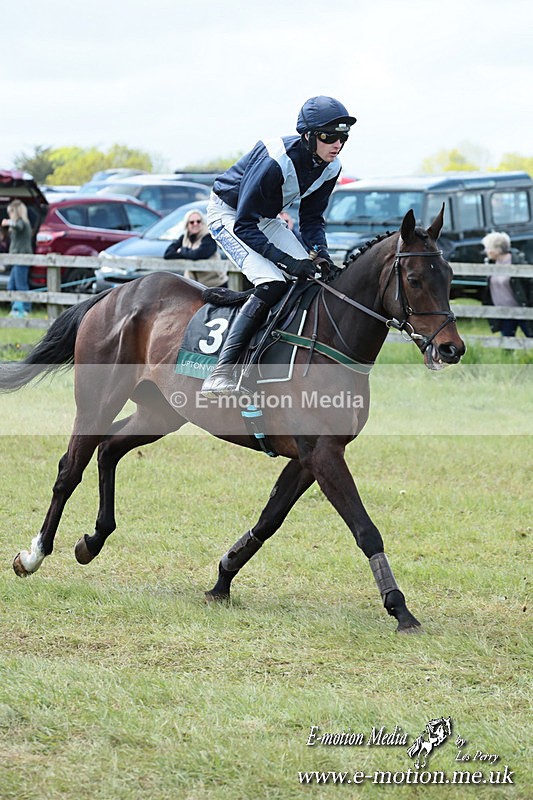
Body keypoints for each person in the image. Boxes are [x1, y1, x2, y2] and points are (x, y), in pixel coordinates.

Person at [202, 95, 356, 395]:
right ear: (309, 136)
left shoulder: (331, 167)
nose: (336, 145)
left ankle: (284, 355)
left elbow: (312, 219)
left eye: (342, 138)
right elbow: (245, 224)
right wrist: (288, 262)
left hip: (266, 218)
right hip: (229, 215)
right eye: (329, 137)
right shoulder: (275, 161)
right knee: (272, 282)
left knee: (313, 279)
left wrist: (320, 253)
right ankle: (221, 373)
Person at [481, 231, 533, 338]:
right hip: (503, 312)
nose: (486, 251)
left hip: (521, 310)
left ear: (496, 249)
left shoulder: (517, 262)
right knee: (507, 343)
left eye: (487, 247)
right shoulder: (491, 263)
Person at [163, 209, 227, 288]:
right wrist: (188, 253)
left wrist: (182, 250)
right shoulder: (184, 237)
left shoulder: (209, 237)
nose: (195, 224)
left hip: (215, 284)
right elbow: (168, 254)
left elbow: (199, 254)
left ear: (202, 222)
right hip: (193, 285)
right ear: (187, 224)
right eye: (192, 222)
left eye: (198, 221)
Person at [1, 199, 33, 317]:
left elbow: (18, 226)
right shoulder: (19, 224)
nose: (9, 215)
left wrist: (8, 222)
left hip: (22, 259)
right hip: (16, 260)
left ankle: (26, 309)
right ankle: (15, 308)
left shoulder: (22, 223)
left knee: (21, 285)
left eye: (11, 212)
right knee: (12, 285)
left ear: (16, 212)